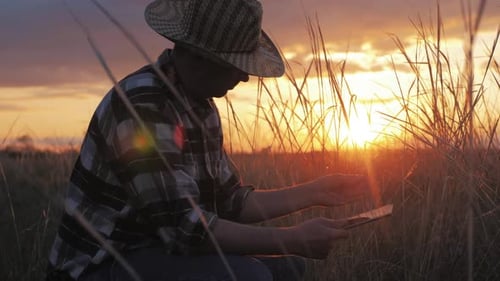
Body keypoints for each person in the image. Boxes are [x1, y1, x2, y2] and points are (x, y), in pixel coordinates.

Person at [46, 0, 372, 280]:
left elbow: (229, 202)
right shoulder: (143, 104)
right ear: (198, 56)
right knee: (252, 276)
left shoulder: (201, 105)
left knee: (289, 270)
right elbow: (186, 230)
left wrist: (315, 191)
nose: (244, 76)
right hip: (99, 267)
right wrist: (291, 238)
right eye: (234, 65)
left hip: (154, 253)